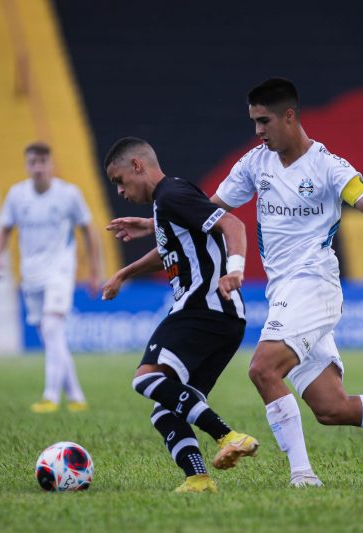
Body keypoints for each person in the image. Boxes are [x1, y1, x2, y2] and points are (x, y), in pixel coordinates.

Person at [107, 79, 363, 487]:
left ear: (289, 116)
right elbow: (206, 213)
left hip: (314, 284)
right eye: (253, 122)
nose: (258, 131)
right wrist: (153, 222)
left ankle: (303, 477)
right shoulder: (255, 163)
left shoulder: (329, 167)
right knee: (330, 407)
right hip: (283, 291)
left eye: (264, 121)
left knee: (263, 368)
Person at [101, 137, 258, 494]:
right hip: (224, 319)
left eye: (120, 180)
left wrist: (235, 269)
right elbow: (169, 250)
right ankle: (199, 480)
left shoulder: (171, 194)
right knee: (166, 411)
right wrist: (124, 274)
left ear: (137, 165)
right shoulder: (166, 204)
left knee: (145, 379)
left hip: (203, 308)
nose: (121, 191)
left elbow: (234, 226)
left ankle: (228, 436)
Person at [0, 142, 102, 413]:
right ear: (27, 165)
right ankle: (76, 395)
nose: (38, 168)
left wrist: (95, 270)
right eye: (33, 163)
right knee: (52, 336)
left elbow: (89, 230)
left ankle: (50, 396)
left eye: (42, 162)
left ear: (51, 164)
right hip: (31, 274)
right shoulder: (17, 196)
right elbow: (5, 228)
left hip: (60, 271)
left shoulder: (69, 194)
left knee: (52, 330)